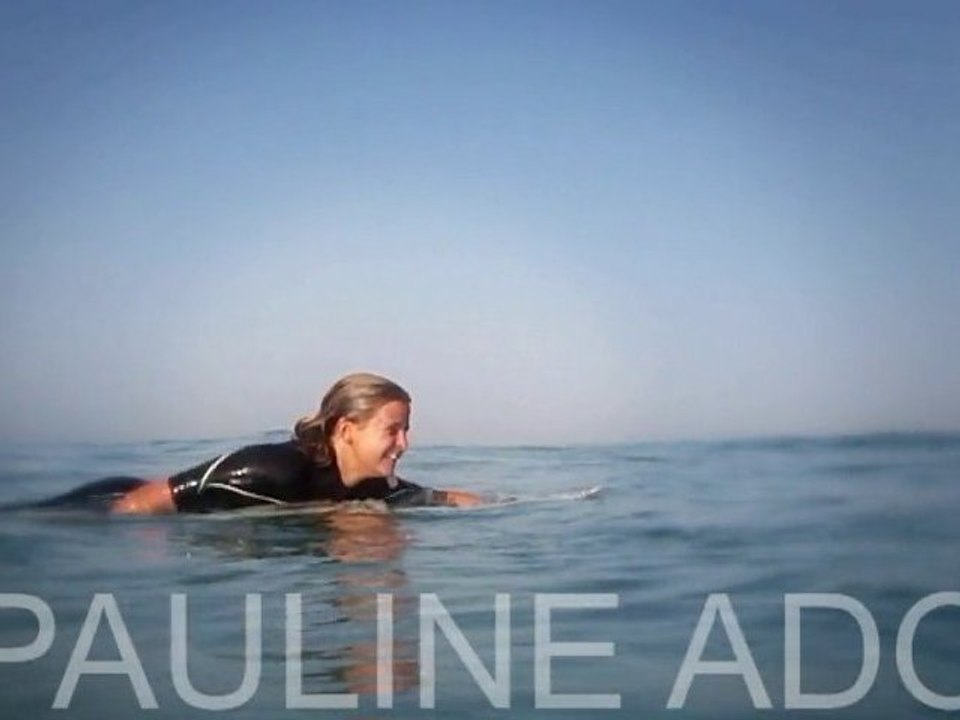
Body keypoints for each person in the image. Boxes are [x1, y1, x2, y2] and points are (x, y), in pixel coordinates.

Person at [31, 373, 483, 514]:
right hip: (114, 498)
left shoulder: (372, 485)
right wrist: (147, 533)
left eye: (406, 429)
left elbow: (436, 497)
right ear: (347, 430)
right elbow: (142, 502)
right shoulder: (274, 468)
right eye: (393, 430)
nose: (405, 442)